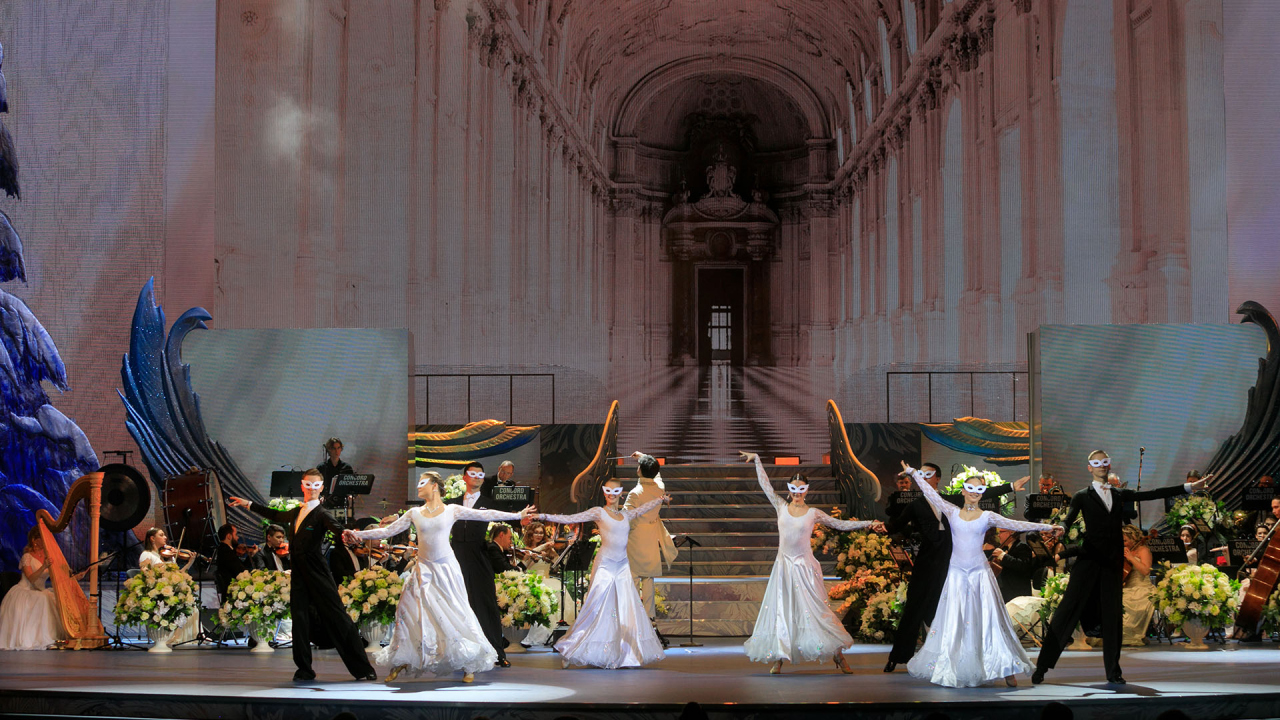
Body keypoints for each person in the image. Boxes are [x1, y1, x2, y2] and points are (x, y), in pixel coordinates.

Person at [1033, 450, 1206, 685]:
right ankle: (1042, 666)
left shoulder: (1119, 494)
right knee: (1066, 611)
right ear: (1089, 467)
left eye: (1105, 462)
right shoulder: (1082, 496)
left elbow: (1152, 494)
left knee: (1113, 616)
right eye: (1096, 463)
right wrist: (1061, 528)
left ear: (1109, 465)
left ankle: (1113, 672)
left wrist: (1188, 488)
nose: (1101, 466)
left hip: (1112, 563)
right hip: (1088, 561)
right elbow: (1068, 519)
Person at [343, 471, 534, 682]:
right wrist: (358, 534)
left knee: (455, 612)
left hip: (446, 569)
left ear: (434, 486)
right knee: (409, 612)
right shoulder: (414, 513)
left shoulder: (451, 510)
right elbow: (386, 531)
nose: (418, 486)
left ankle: (468, 663)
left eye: (422, 482)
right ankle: (403, 658)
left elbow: (486, 514)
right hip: (422, 570)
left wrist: (517, 515)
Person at [900, 461, 1059, 687]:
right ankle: (955, 666)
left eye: (979, 489)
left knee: (989, 620)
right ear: (963, 491)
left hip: (979, 575)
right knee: (955, 621)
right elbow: (930, 493)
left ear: (982, 492)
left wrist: (1048, 527)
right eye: (970, 488)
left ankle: (1006, 667)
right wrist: (913, 473)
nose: (974, 492)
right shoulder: (951, 511)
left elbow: (1017, 524)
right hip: (956, 574)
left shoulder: (987, 516)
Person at [740, 451, 884, 674]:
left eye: (801, 489)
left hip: (805, 568)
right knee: (782, 610)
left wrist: (867, 523)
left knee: (817, 611)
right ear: (789, 489)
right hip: (784, 567)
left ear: (807, 490)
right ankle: (779, 656)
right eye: (793, 488)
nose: (797, 493)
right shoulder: (780, 506)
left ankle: (837, 654)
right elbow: (765, 485)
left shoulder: (813, 513)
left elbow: (840, 524)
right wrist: (757, 459)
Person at [228, 469, 376, 682]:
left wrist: (345, 533)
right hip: (299, 573)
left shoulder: (322, 513)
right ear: (302, 486)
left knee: (339, 617)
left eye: (316, 485)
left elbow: (336, 527)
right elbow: (274, 515)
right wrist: (248, 504)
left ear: (322, 488)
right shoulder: (297, 511)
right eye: (308, 485)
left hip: (317, 572)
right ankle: (304, 669)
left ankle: (363, 668)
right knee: (300, 620)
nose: (312, 489)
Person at [882, 463, 1027, 672]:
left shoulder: (951, 500)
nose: (924, 478)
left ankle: (950, 659)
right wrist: (873, 526)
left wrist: (1011, 486)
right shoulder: (915, 505)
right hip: (926, 562)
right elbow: (895, 526)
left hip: (952, 561)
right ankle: (898, 656)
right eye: (920, 474)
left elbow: (983, 493)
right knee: (914, 607)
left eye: (928, 474)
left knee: (949, 610)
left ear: (937, 478)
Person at [534, 479, 668, 669]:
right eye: (608, 491)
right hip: (605, 563)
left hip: (622, 565)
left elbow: (641, 509)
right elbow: (571, 518)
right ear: (604, 492)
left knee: (625, 608)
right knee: (595, 606)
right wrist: (542, 515)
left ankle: (624, 653)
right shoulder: (599, 512)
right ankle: (572, 649)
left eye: (615, 491)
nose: (611, 495)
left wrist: (660, 499)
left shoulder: (626, 514)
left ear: (621, 492)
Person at [445, 461, 510, 667]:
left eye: (480, 475)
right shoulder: (452, 503)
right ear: (465, 477)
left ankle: (497, 652)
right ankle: (455, 653)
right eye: (472, 474)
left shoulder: (488, 502)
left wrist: (521, 518)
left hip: (478, 554)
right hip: (454, 554)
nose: (476, 478)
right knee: (455, 603)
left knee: (485, 603)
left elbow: (506, 516)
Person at [624, 451, 677, 644]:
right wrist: (642, 455)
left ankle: (631, 621)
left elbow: (626, 518)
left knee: (633, 579)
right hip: (651, 537)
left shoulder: (635, 493)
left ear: (639, 470)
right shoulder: (659, 487)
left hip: (637, 537)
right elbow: (657, 473)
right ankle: (649, 619)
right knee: (648, 580)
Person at [0, 528, 63, 650]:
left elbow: (57, 576)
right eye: (43, 537)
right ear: (35, 540)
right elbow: (31, 579)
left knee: (50, 598)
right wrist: (44, 566)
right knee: (43, 599)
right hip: (25, 590)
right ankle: (36, 638)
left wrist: (75, 577)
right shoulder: (27, 557)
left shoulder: (49, 556)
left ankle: (51, 636)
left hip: (40, 591)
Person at [138, 527, 200, 645]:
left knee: (192, 605)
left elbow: (178, 574)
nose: (165, 537)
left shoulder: (167, 556)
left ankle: (190, 637)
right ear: (152, 538)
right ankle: (177, 637)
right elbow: (145, 573)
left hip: (170, 589)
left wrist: (190, 563)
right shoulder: (146, 554)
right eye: (161, 535)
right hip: (157, 592)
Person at [991, 528, 1053, 603]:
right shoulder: (1006, 547)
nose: (998, 535)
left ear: (1010, 533)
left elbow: (1023, 566)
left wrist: (1003, 556)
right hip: (1007, 590)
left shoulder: (1022, 546)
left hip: (1017, 592)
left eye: (1001, 532)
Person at [1119, 524, 1155, 646]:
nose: (1123, 543)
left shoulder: (1143, 550)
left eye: (1125, 540)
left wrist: (1131, 558)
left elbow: (1145, 571)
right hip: (1126, 588)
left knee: (1128, 605)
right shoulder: (1123, 551)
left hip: (1142, 588)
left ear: (1134, 538)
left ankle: (1129, 635)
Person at [213, 523, 256, 601]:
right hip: (232, 595)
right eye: (235, 534)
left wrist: (251, 555)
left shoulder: (226, 550)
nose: (237, 537)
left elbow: (241, 567)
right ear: (229, 536)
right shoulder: (226, 552)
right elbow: (241, 572)